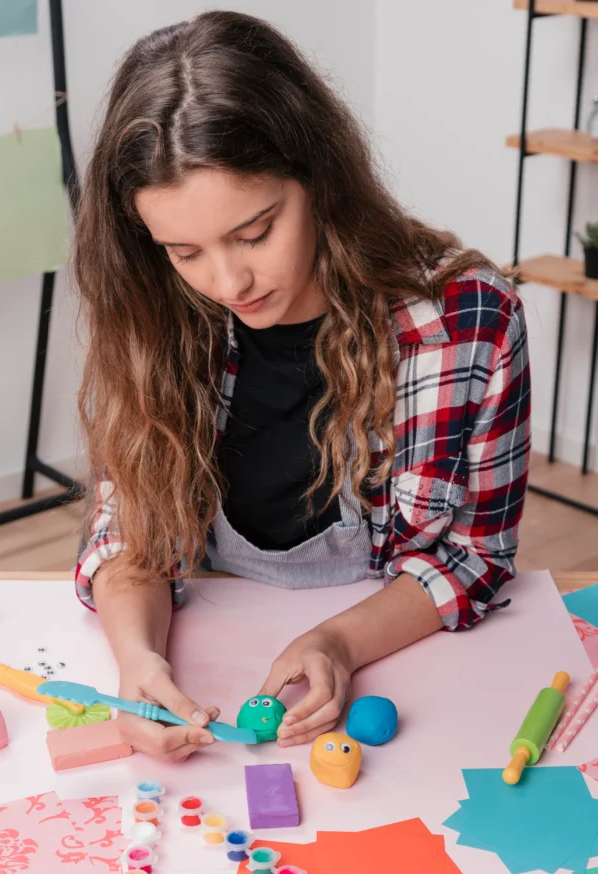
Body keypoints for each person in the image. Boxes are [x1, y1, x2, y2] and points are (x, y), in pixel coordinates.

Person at [73, 10, 530, 763]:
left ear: (318, 178)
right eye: (184, 250)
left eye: (254, 233)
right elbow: (131, 531)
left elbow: (473, 559)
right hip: (213, 649)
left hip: (398, 664)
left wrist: (338, 642)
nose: (228, 282)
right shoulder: (157, 314)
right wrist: (137, 662)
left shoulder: (466, 322)